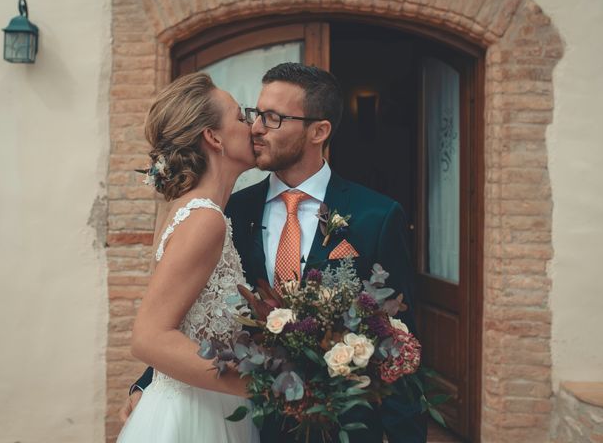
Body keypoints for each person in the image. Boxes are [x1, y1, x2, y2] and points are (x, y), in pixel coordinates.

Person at [124, 63, 427, 442]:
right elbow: (182, 313)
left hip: (337, 429)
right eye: (253, 114)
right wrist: (149, 383)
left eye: (273, 118)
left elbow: (398, 342)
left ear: (319, 131)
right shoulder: (228, 212)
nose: (256, 127)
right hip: (247, 421)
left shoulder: (377, 217)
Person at [116, 72, 260, 443]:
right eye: (240, 117)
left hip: (205, 405)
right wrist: (261, 384)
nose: (253, 125)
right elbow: (148, 337)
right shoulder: (205, 219)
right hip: (193, 417)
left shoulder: (186, 211)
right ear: (213, 138)